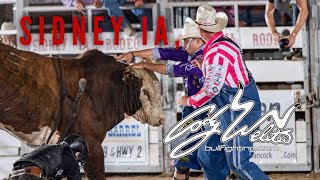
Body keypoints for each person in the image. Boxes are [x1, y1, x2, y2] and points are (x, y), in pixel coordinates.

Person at [115, 17, 220, 180]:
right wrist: (132, 54)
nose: (184, 45)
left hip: (207, 111)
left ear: (198, 40)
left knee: (205, 155)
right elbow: (160, 52)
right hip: (194, 110)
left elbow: (176, 70)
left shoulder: (204, 58)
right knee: (183, 152)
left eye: (187, 41)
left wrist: (146, 66)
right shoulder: (189, 54)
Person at [178, 5, 269, 180]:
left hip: (236, 109)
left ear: (200, 30)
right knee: (209, 156)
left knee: (238, 163)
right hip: (230, 107)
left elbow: (212, 89)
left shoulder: (216, 52)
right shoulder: (220, 46)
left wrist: (189, 101)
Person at [9, 135, 88, 180]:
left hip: (14, 174)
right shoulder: (70, 157)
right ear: (77, 153)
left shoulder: (50, 148)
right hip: (31, 175)